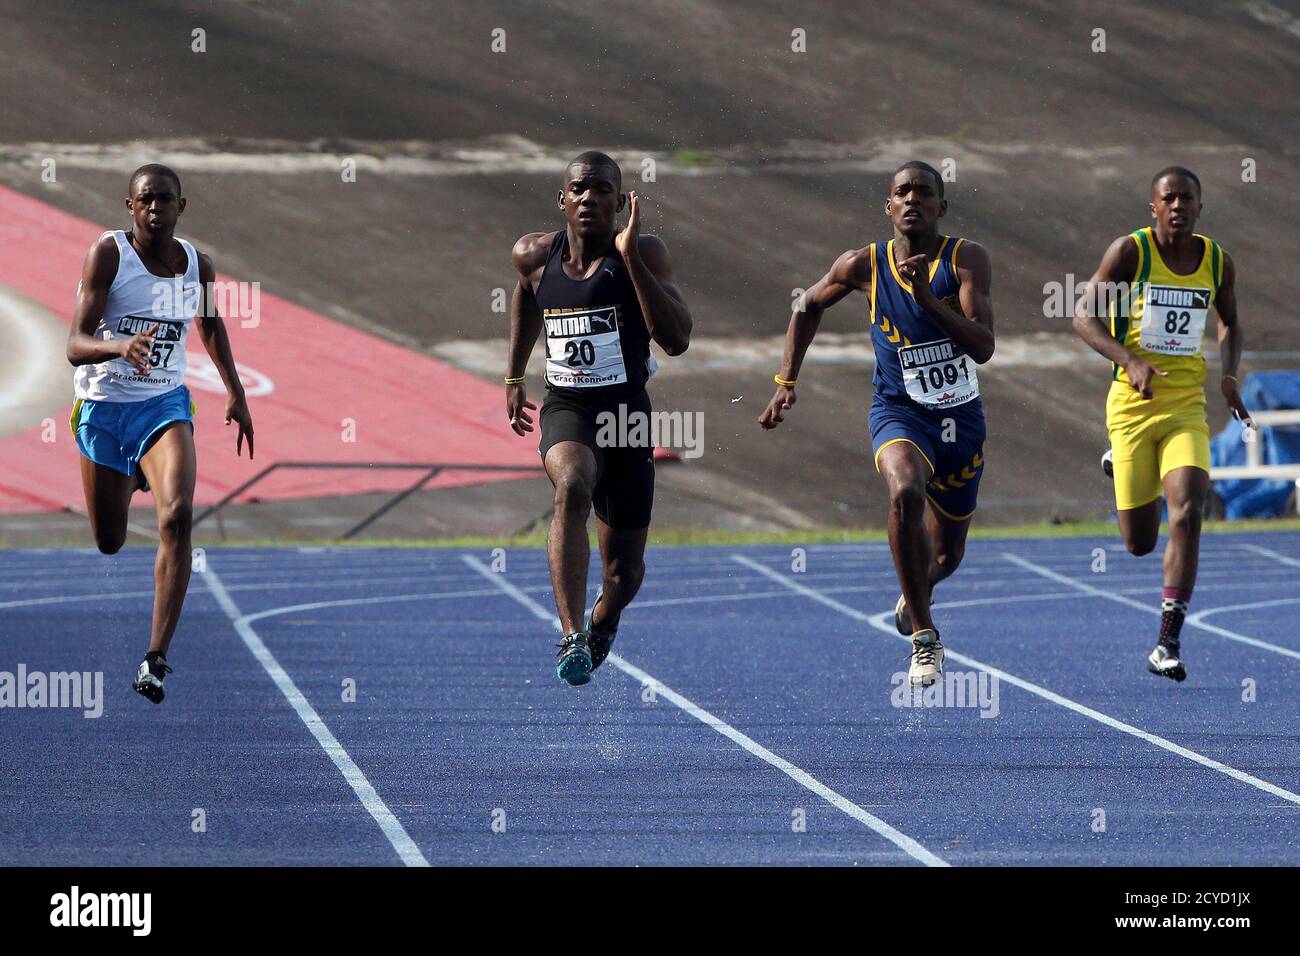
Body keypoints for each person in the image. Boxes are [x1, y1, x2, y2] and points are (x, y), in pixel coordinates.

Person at [759, 161, 995, 687]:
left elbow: (983, 346)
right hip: (899, 411)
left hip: (960, 422)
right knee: (905, 491)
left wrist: (928, 301)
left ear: (941, 206)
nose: (913, 200)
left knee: (946, 555)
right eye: (902, 193)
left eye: (925, 193)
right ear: (888, 207)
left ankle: (918, 590)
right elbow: (807, 305)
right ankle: (925, 640)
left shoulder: (966, 259)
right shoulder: (863, 264)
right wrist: (786, 380)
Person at [66, 164, 254, 703]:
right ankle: (134, 474)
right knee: (110, 541)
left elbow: (211, 324)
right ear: (130, 207)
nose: (155, 209)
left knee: (177, 515)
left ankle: (155, 657)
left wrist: (236, 393)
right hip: (103, 407)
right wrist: (118, 346)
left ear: (181, 207)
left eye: (164, 200)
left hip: (163, 405)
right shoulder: (109, 255)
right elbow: (75, 344)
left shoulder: (198, 265)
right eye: (145, 200)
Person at [505, 151, 692, 685]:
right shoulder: (533, 255)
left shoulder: (645, 253)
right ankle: (570, 636)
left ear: (621, 200)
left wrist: (630, 259)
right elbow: (525, 297)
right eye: (579, 190)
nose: (589, 198)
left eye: (602, 190)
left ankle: (603, 618)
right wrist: (514, 376)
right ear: (562, 200)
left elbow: (676, 340)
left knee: (624, 572)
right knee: (573, 481)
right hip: (569, 408)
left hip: (627, 417)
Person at [1072, 166, 1252, 681]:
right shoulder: (1130, 252)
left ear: (1200, 207)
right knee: (1138, 543)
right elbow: (1084, 317)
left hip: (1184, 405)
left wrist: (1230, 377)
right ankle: (1125, 465)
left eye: (1187, 199)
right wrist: (1128, 360)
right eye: (1168, 198)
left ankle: (1167, 640)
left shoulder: (1217, 261)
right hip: (1131, 404)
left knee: (1191, 508)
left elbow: (1231, 320)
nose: (1177, 206)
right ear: (1153, 207)